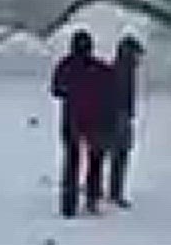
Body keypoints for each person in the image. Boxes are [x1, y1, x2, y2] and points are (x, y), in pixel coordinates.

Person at [48, 29, 112, 218]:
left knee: (71, 162)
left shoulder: (65, 65)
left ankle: (69, 204)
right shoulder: (99, 68)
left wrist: (71, 91)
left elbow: (56, 90)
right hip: (95, 120)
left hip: (72, 119)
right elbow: (112, 86)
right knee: (95, 160)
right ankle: (92, 199)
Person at [104, 35, 144, 209]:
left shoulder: (121, 68)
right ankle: (115, 191)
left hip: (119, 115)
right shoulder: (124, 70)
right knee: (120, 153)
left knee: (116, 153)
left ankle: (110, 189)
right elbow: (122, 94)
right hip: (120, 115)